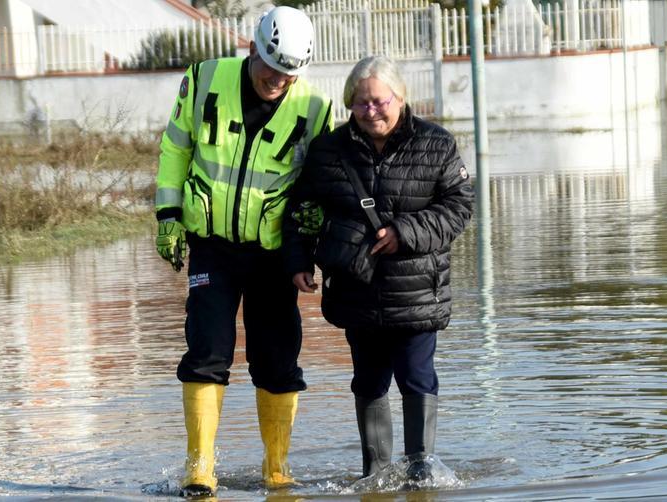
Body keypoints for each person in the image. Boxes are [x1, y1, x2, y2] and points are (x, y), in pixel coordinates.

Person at [153, 6, 334, 497]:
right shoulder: (204, 78)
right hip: (211, 245)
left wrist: (312, 232)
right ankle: (200, 470)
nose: (278, 80)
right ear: (251, 48)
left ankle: (276, 471)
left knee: (277, 360)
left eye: (289, 73)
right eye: (271, 67)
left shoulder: (316, 108)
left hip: (275, 254)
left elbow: (318, 184)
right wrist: (168, 216)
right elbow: (175, 150)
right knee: (207, 351)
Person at [282, 55, 474, 484]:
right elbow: (303, 209)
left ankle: (421, 472)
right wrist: (297, 260)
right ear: (350, 104)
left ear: (401, 98)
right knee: (367, 381)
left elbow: (460, 206)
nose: (372, 111)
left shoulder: (437, 144)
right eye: (361, 103)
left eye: (380, 102)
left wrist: (405, 231)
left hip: (418, 290)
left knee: (416, 377)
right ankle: (375, 474)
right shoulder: (328, 151)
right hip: (356, 291)